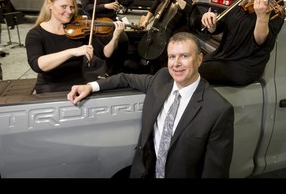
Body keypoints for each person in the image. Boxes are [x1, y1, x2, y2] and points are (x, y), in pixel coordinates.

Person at [67, 32, 234, 178]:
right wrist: (91, 86)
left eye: (184, 56)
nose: (176, 63)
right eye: (171, 57)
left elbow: (215, 172)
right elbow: (125, 78)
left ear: (199, 59)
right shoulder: (162, 79)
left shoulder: (218, 110)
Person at [199, 0, 286, 86]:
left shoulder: (275, 5)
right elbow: (221, 25)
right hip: (223, 57)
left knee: (191, 71)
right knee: (188, 61)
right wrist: (212, 22)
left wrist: (262, 17)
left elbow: (261, 41)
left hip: (243, 66)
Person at [25, 0, 126, 94]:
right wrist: (72, 52)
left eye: (72, 7)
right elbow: (38, 65)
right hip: (50, 87)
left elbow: (105, 54)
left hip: (78, 84)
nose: (69, 11)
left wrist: (115, 37)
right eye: (63, 6)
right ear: (50, 4)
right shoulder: (35, 34)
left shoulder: (79, 29)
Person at [79, 0, 144, 75]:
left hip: (112, 21)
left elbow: (124, 3)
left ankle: (118, 69)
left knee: (123, 40)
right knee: (104, 46)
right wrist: (105, 6)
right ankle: (105, 70)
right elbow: (86, 7)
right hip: (96, 22)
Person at [139, 0, 193, 72]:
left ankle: (165, 71)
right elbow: (153, 9)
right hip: (160, 26)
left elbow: (189, 9)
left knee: (167, 45)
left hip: (176, 28)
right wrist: (145, 20)